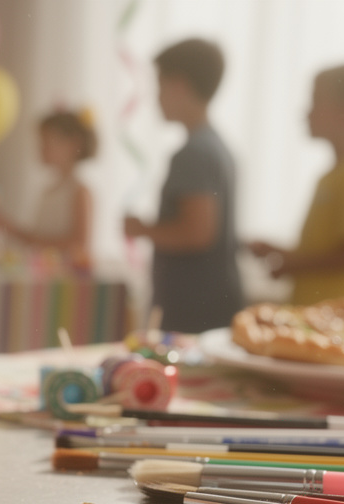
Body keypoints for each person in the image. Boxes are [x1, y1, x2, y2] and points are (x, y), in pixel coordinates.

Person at [124, 38, 244, 333]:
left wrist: (142, 229)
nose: (157, 98)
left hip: (194, 307)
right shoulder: (217, 147)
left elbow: (197, 232)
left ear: (178, 85)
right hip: (212, 301)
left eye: (160, 87)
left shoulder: (193, 153)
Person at [248, 64, 344, 304]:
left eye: (316, 101)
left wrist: (293, 264)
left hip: (342, 318)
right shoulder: (331, 177)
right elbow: (330, 251)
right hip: (319, 315)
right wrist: (282, 253)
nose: (307, 113)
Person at [0, 108, 97, 270]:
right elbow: (40, 237)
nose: (41, 148)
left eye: (46, 143)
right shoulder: (48, 191)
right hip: (46, 272)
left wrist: (21, 235)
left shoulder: (79, 192)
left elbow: (79, 245)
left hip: (66, 276)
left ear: (73, 144)